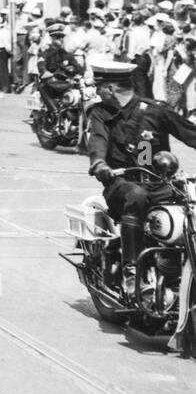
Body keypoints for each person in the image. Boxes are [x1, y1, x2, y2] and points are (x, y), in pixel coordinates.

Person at [84, 58, 196, 291]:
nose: (96, 91)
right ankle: (131, 270)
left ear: (110, 89)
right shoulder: (101, 114)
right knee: (136, 195)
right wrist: (100, 164)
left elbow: (190, 134)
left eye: (99, 86)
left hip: (159, 184)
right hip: (121, 185)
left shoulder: (156, 110)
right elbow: (97, 141)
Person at [37, 23, 82, 112]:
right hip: (51, 80)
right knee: (42, 86)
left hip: (64, 81)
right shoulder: (45, 52)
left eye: (62, 37)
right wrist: (44, 71)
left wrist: (80, 71)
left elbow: (78, 67)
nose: (61, 39)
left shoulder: (66, 53)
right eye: (58, 37)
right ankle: (54, 111)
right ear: (52, 38)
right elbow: (41, 63)